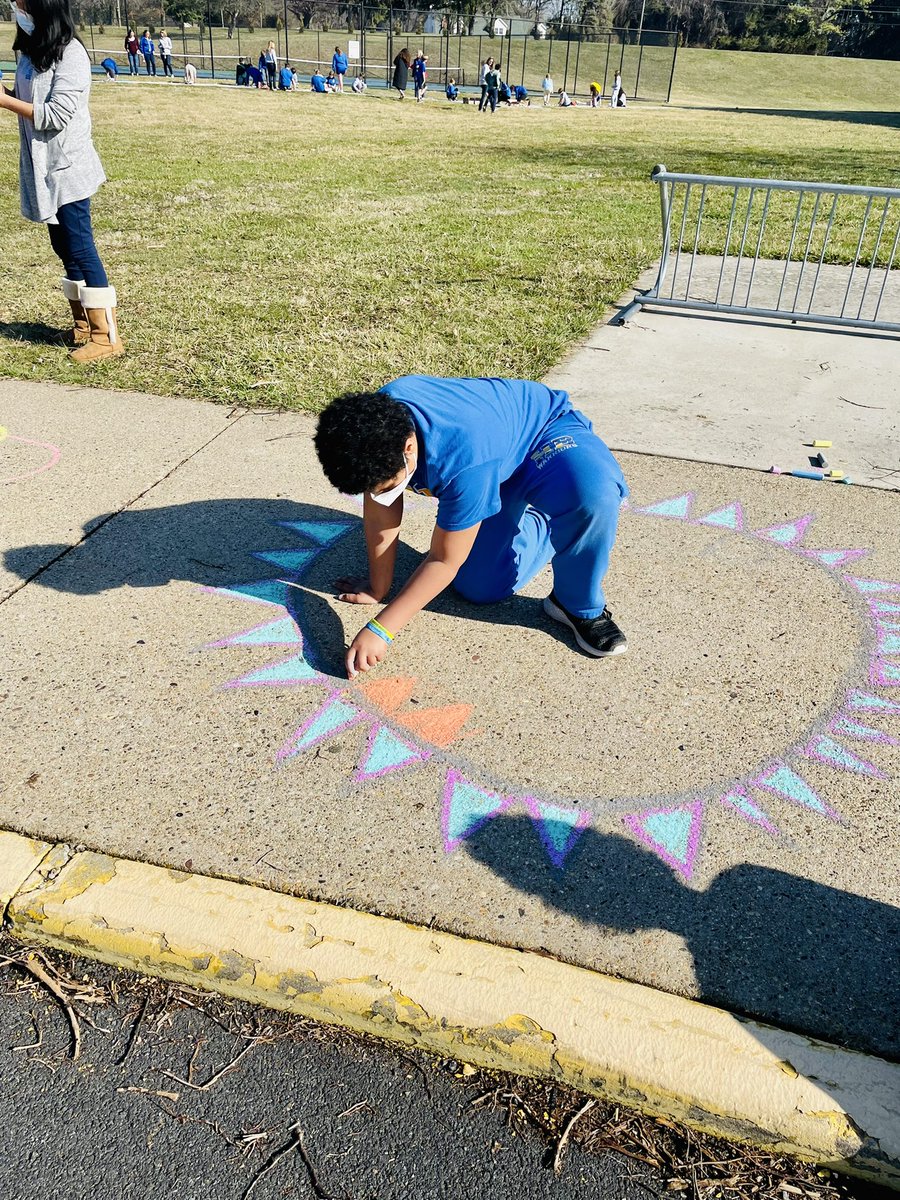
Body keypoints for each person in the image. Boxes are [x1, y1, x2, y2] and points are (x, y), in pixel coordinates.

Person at [313, 376, 629, 678]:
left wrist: (381, 629)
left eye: (389, 485)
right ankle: (540, 521)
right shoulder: (376, 423)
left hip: (545, 435)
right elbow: (382, 509)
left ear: (409, 446)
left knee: (593, 498)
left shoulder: (461, 460)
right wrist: (377, 587)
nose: (381, 493)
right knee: (480, 587)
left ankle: (577, 603)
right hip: (491, 462)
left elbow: (443, 560)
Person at [2, 0, 123, 362]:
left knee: (80, 245)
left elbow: (54, 115)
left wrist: (4, 103)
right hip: (42, 167)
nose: (16, 10)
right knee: (63, 246)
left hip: (68, 167)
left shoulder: (71, 54)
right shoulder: (31, 52)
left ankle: (107, 336)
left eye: (22, 4)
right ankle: (84, 323)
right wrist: (8, 95)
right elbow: (29, 100)